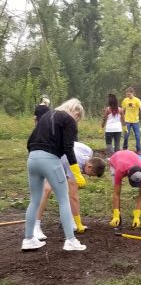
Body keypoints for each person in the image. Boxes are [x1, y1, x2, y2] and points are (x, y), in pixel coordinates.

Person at [23, 98, 87, 251]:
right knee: (64, 199)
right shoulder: (69, 119)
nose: (76, 121)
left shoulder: (46, 116)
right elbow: (68, 147)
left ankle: (28, 239)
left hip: (32, 159)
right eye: (78, 117)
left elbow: (30, 140)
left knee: (34, 201)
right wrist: (76, 172)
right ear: (76, 112)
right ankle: (70, 240)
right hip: (50, 160)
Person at [33, 142, 106, 240]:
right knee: (47, 189)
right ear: (89, 167)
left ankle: (69, 220)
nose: (87, 176)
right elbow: (73, 197)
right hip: (46, 156)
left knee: (68, 187)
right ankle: (35, 226)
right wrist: (79, 222)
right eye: (90, 174)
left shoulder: (89, 151)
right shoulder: (74, 164)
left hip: (61, 158)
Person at [121, 87, 141, 155]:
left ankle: (138, 150)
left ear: (132, 93)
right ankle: (125, 148)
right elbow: (122, 110)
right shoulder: (125, 100)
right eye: (127, 94)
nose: (128, 96)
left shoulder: (137, 100)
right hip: (127, 120)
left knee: (137, 136)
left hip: (135, 121)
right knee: (126, 135)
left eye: (129, 94)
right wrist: (120, 117)